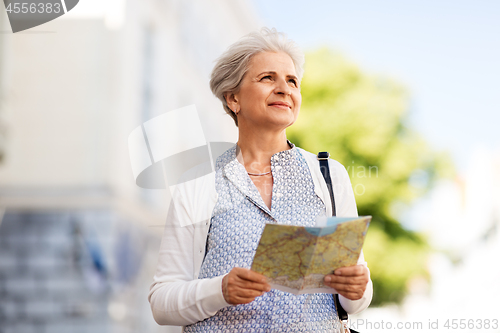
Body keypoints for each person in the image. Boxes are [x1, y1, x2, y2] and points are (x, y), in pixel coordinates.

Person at [148, 28, 373, 332]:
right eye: (268, 78)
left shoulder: (330, 175)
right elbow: (162, 301)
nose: (284, 89)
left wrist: (358, 286)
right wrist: (220, 290)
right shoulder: (198, 183)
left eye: (292, 81)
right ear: (233, 98)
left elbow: (355, 298)